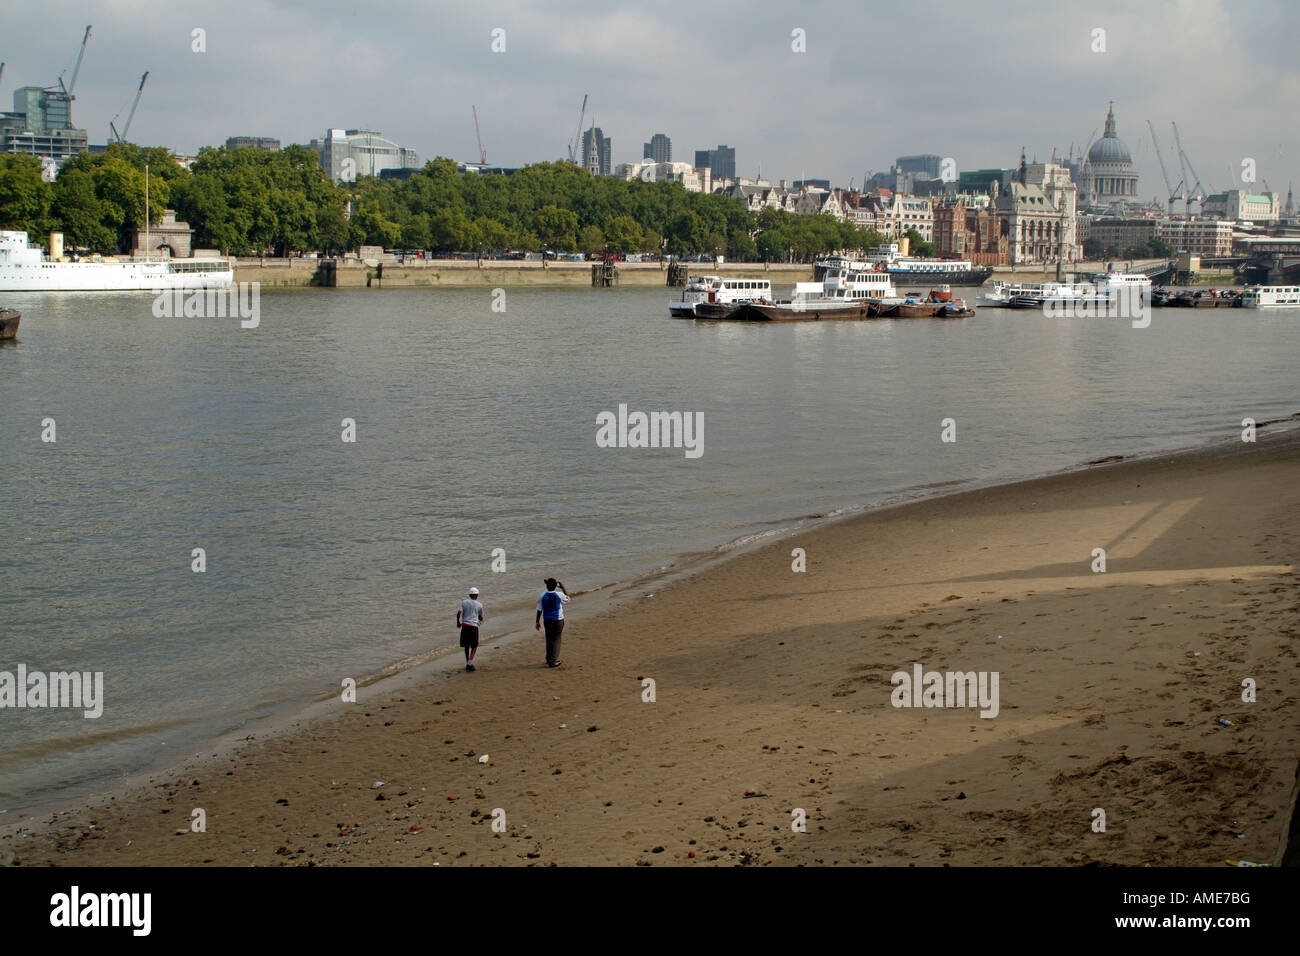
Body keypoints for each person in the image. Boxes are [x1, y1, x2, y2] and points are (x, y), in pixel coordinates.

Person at [535, 578, 570, 668]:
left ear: (547, 586)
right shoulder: (559, 594)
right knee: (557, 639)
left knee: (549, 639)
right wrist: (562, 587)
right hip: (558, 620)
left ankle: (549, 659)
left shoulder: (542, 595)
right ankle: (553, 661)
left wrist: (537, 621)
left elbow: (539, 609)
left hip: (547, 620)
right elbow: (568, 599)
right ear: (556, 586)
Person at [457, 587, 485, 672]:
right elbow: (481, 617)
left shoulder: (464, 602)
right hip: (473, 627)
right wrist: (480, 618)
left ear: (469, 595)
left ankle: (468, 663)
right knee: (474, 645)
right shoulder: (479, 605)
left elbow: (458, 613)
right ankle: (470, 663)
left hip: (465, 626)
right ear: (477, 595)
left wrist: (458, 622)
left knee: (466, 646)